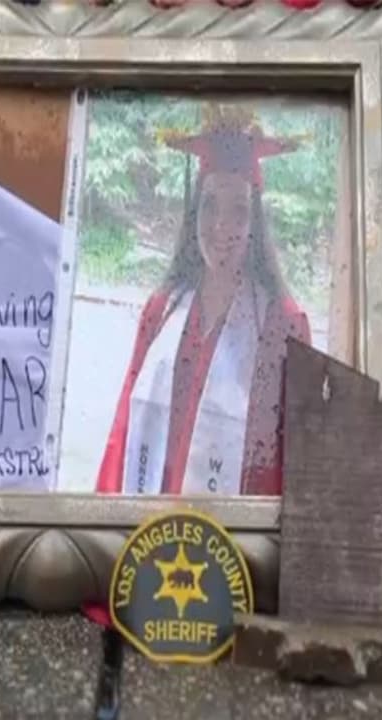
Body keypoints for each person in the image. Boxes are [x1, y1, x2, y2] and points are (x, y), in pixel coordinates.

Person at [95, 104, 313, 498]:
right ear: (194, 211)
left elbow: (294, 464)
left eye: (239, 211)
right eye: (210, 206)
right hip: (151, 532)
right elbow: (124, 431)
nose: (220, 227)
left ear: (256, 223)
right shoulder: (161, 312)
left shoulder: (284, 327)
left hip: (235, 547)